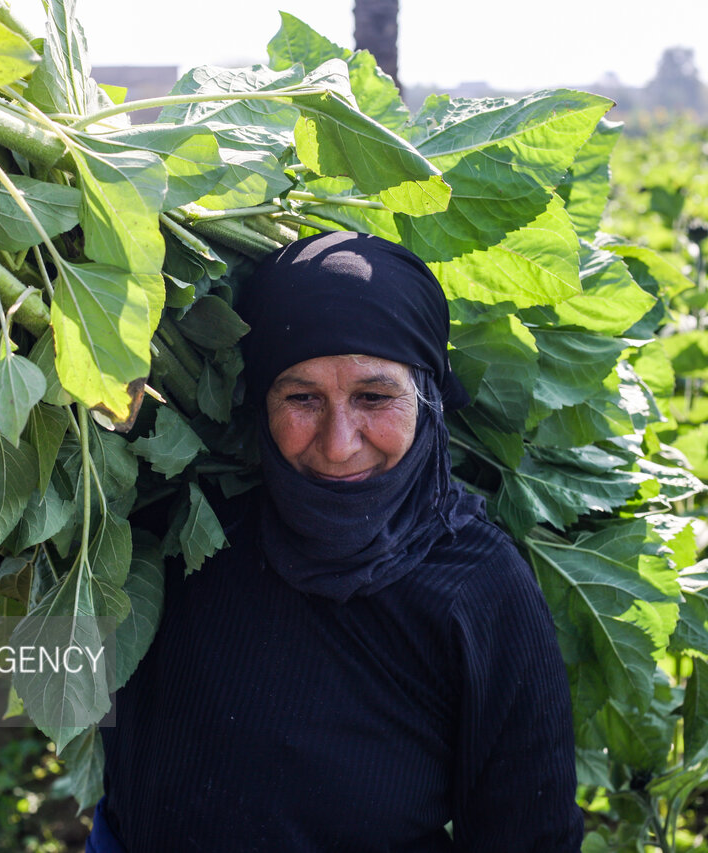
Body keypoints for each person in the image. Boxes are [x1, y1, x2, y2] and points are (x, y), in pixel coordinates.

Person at [88, 231, 581, 852]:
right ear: (260, 402)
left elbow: (530, 836)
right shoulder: (188, 527)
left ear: (428, 397)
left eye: (375, 397)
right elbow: (27, 666)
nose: (339, 442)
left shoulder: (476, 586)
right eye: (301, 398)